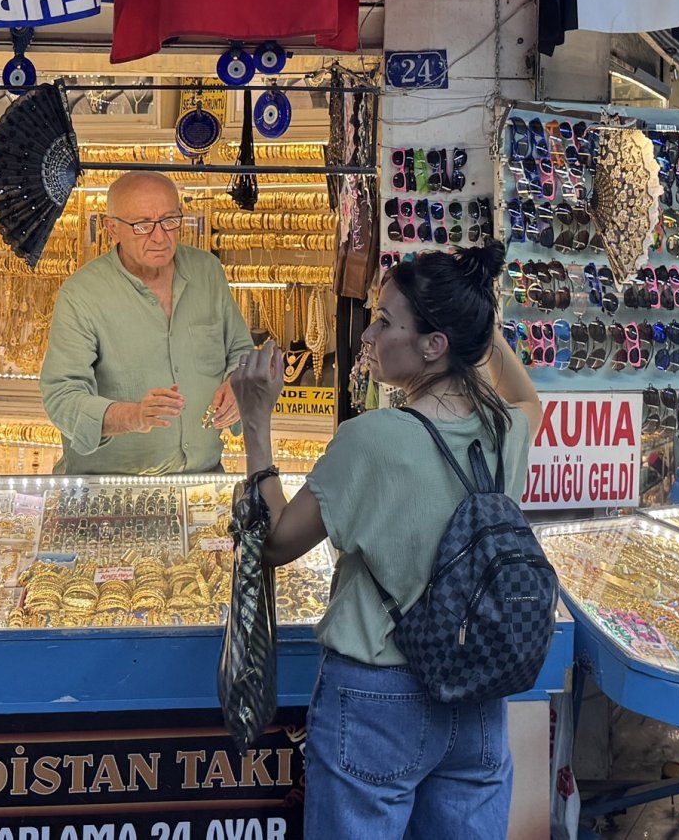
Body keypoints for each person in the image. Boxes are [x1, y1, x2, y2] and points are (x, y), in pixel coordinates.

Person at [231, 243, 542, 838]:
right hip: (477, 695)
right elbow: (527, 396)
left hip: (378, 699)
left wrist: (256, 423)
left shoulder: (371, 439)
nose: (368, 334)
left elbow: (274, 542)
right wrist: (478, 326)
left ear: (434, 345)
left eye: (385, 321)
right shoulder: (505, 431)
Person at [39, 171, 254, 474]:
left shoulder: (208, 272)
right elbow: (62, 397)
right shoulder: (82, 295)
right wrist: (133, 417)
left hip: (201, 485)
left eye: (169, 221)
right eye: (142, 226)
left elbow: (241, 351)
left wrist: (239, 384)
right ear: (112, 228)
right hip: (110, 494)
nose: (159, 237)